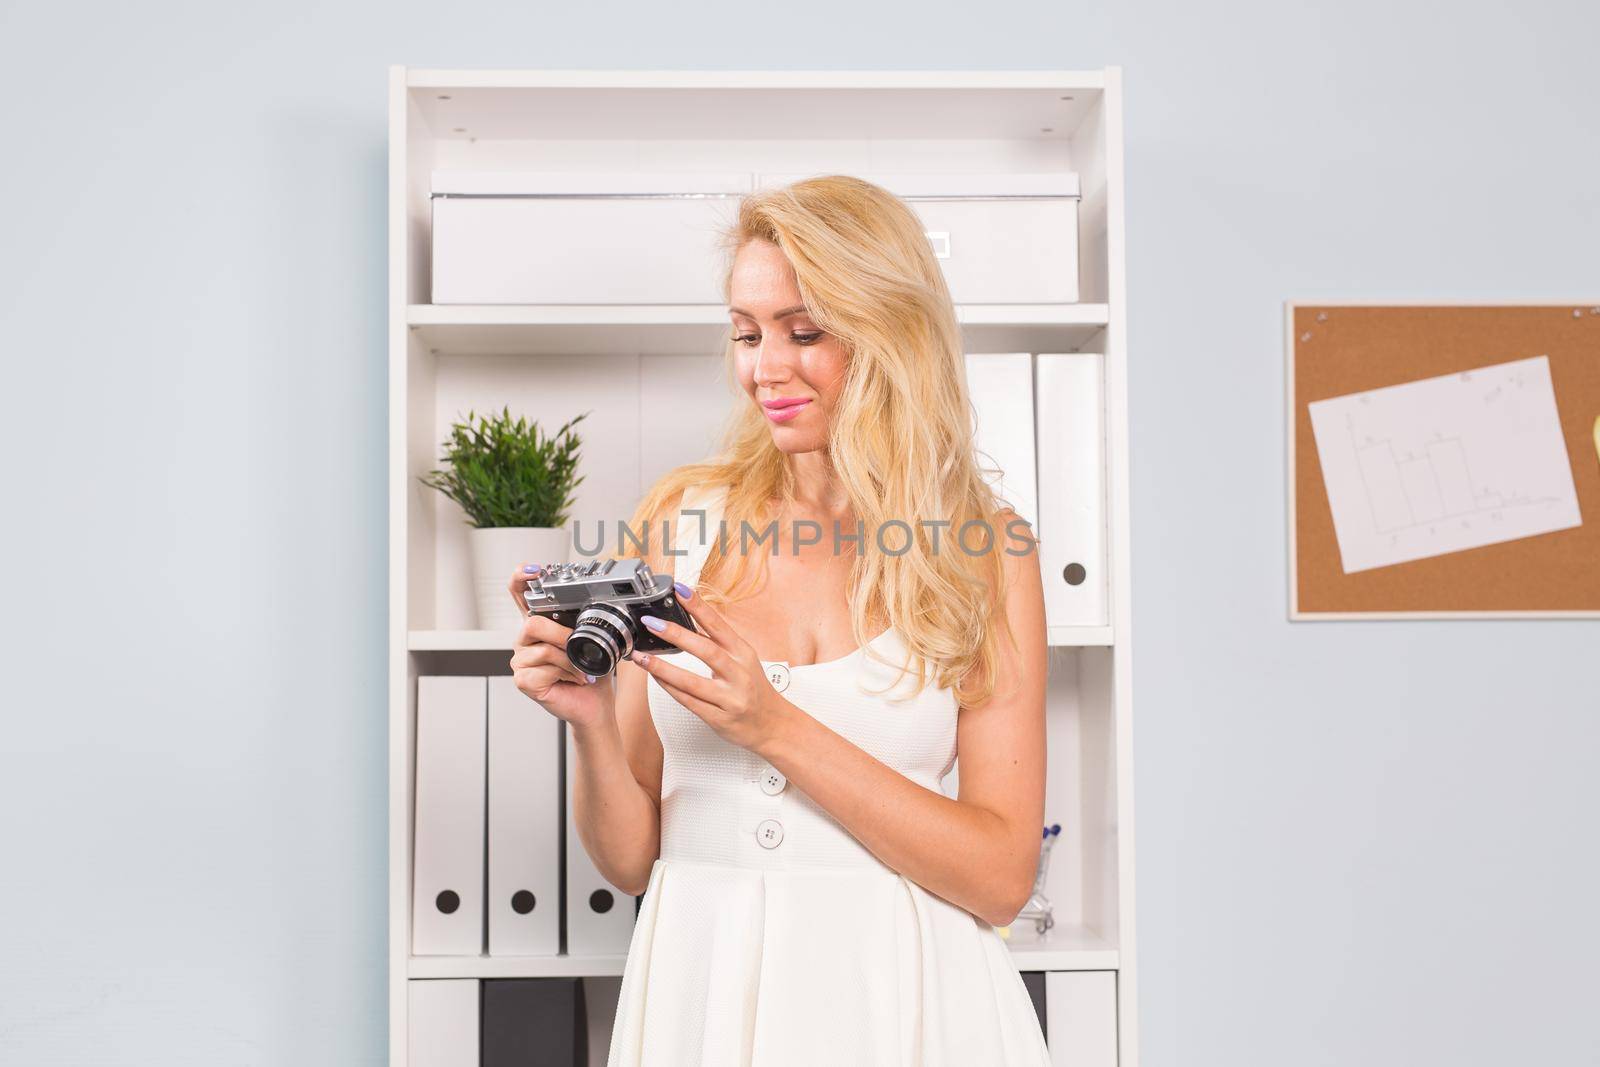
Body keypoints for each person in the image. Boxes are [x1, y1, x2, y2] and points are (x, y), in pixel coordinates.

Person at [507, 175, 1052, 1065]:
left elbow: (999, 878)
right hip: (704, 990)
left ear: (892, 335)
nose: (765, 367)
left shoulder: (984, 549)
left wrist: (773, 725)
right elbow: (636, 860)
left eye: (805, 332)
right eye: (746, 332)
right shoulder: (680, 524)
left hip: (911, 1002)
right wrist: (594, 727)